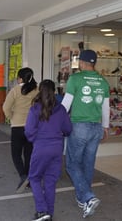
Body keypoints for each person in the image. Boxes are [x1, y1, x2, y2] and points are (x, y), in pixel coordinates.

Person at [61, 49, 110, 218]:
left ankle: (88, 197)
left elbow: (66, 104)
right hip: (96, 127)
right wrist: (105, 127)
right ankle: (83, 199)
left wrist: (56, 122)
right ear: (94, 63)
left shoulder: (75, 79)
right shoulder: (103, 81)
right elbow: (105, 107)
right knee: (88, 164)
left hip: (79, 127)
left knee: (72, 164)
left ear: (81, 62)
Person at [25, 80, 72, 221]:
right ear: (54, 91)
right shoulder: (61, 109)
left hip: (40, 147)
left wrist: (36, 140)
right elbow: (68, 130)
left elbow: (28, 131)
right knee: (50, 181)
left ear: (40, 90)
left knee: (34, 178)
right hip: (57, 148)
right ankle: (49, 214)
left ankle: (41, 211)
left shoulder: (35, 109)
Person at [2, 67, 38, 193]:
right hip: (32, 127)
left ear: (21, 78)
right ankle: (29, 179)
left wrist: (11, 117)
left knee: (16, 154)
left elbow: (6, 107)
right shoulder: (36, 90)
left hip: (17, 127)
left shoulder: (15, 90)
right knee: (29, 154)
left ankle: (23, 176)